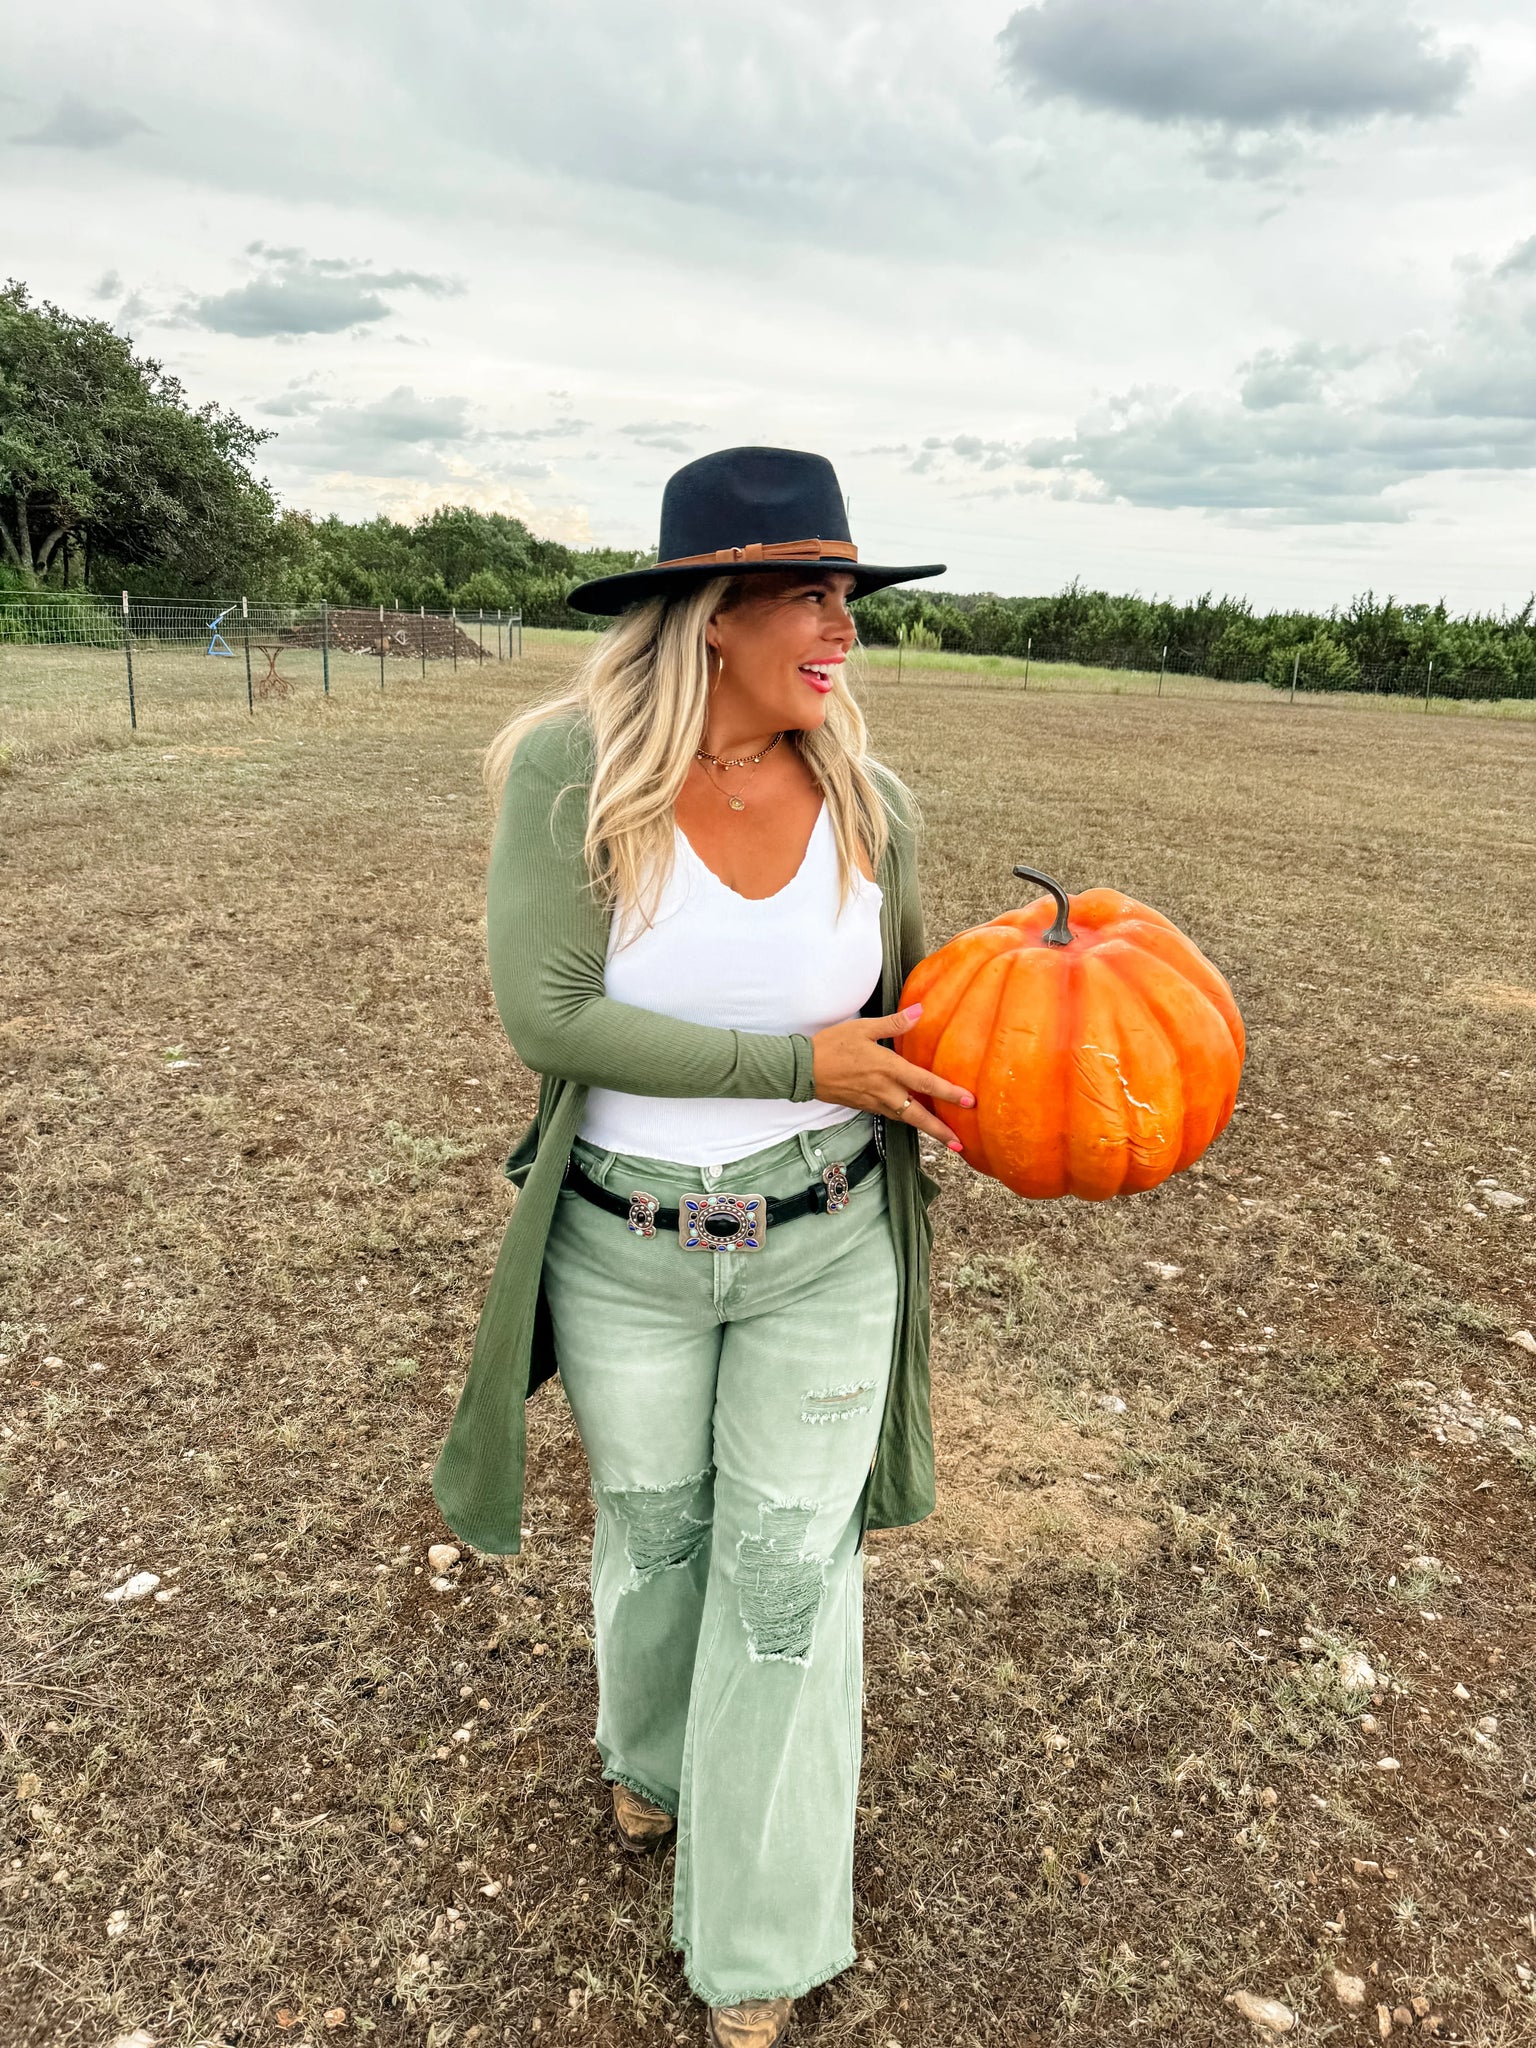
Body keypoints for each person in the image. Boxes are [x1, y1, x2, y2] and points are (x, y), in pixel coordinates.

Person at [432, 446, 972, 2048]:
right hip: (625, 1250)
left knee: (788, 1577)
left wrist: (1029, 1064)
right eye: (811, 594)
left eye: (849, 595)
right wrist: (804, 1062)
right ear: (710, 614)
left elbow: (911, 1018)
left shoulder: (872, 804)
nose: (845, 627)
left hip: (826, 1243)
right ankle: (653, 1761)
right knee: (659, 1536)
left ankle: (757, 1939)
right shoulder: (572, 772)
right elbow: (550, 1016)